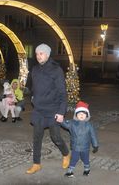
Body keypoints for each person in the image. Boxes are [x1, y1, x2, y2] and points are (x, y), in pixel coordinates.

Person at [26, 43, 70, 174]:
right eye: (37, 54)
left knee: (55, 137)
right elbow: (34, 87)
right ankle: (36, 163)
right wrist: (33, 98)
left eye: (41, 53)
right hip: (39, 109)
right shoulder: (35, 69)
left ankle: (66, 154)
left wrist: (61, 112)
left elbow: (62, 93)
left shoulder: (56, 70)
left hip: (52, 109)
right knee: (37, 137)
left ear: (47, 54)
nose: (38, 56)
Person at [61, 101, 99, 178]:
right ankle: (70, 171)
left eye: (83, 114)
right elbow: (65, 124)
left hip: (85, 147)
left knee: (85, 158)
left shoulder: (89, 125)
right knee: (74, 158)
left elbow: (93, 135)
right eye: (79, 113)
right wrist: (60, 120)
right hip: (75, 147)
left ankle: (87, 168)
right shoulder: (72, 123)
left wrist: (95, 145)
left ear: (87, 115)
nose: (81, 115)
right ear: (76, 115)